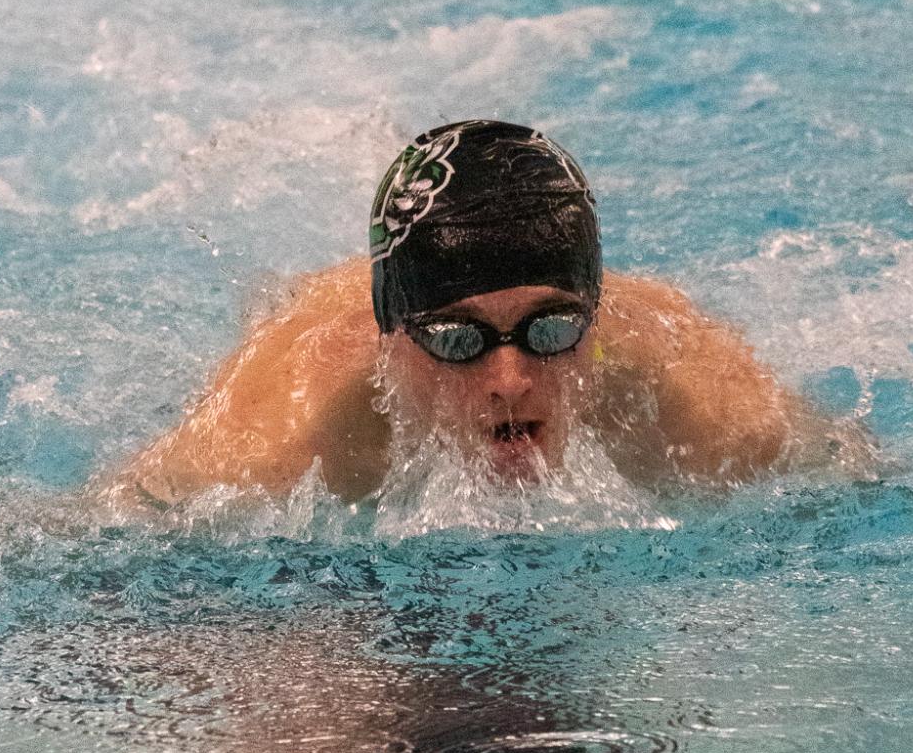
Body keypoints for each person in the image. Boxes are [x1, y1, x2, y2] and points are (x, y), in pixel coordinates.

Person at [113, 118, 871, 509]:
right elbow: (88, 543)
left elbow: (863, 482)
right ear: (392, 337)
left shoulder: (702, 406)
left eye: (552, 328)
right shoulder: (279, 439)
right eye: (455, 338)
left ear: (595, 321)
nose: (510, 377)